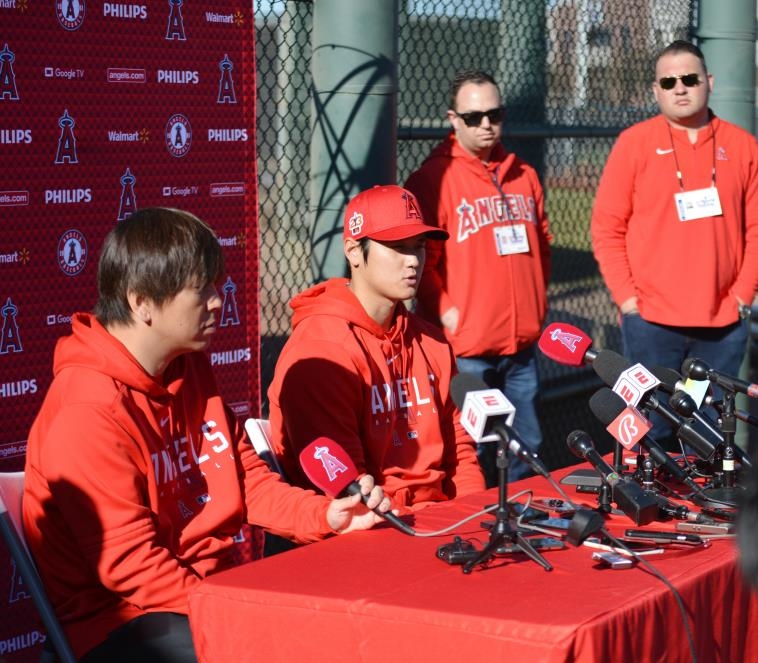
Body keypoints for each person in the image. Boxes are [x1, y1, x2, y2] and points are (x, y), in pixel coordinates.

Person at [22, 207, 390, 663]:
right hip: (119, 622)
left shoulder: (187, 364)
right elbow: (132, 568)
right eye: (201, 290)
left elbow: (245, 479)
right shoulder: (88, 410)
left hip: (206, 591)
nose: (218, 301)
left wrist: (328, 516)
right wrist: (233, 613)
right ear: (142, 303)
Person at [268, 184, 485, 514]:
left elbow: (462, 455)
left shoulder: (432, 342)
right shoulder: (322, 351)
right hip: (374, 530)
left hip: (444, 524)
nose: (413, 261)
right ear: (354, 252)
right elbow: (350, 492)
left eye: (419, 247)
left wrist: (473, 515)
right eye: (398, 247)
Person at [591, 40, 758, 442]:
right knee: (653, 433)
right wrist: (628, 299)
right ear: (656, 91)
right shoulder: (634, 143)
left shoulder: (743, 146)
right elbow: (606, 227)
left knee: (710, 434)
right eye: (669, 82)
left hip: (721, 326)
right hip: (651, 322)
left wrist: (742, 294)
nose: (679, 88)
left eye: (689, 79)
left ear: (709, 82)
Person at [404, 70, 552, 485]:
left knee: (528, 444)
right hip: (466, 347)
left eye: (494, 113)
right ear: (453, 119)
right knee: (471, 451)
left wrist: (536, 303)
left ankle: (530, 524)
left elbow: (542, 243)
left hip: (521, 343)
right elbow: (419, 262)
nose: (486, 124)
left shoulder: (524, 174)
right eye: (474, 117)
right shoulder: (433, 179)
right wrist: (450, 314)